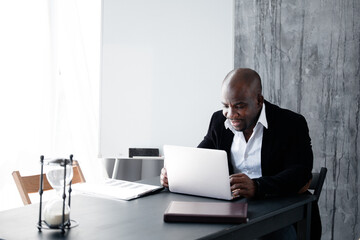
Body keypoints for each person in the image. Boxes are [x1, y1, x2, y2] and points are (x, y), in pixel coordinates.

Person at [160, 68, 321, 239]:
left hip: (277, 214)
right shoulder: (218, 121)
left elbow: (300, 174)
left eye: (239, 106)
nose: (230, 114)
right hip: (231, 211)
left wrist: (257, 186)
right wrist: (176, 174)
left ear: (259, 100)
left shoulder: (291, 124)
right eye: (225, 106)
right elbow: (200, 159)